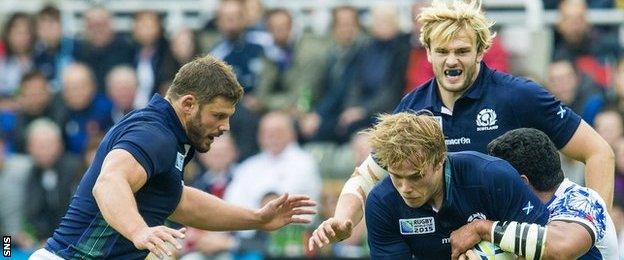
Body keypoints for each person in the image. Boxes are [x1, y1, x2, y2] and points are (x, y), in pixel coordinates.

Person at [309, 0, 614, 249]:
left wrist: (599, 231)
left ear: (481, 51)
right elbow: (365, 176)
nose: (451, 61)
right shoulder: (413, 109)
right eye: (442, 51)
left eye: (462, 51)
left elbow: (599, 152)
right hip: (452, 246)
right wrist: (343, 219)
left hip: (515, 242)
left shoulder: (519, 95)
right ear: (427, 52)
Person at [30, 55, 316, 259]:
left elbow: (180, 201)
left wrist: (256, 219)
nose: (225, 127)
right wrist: (139, 232)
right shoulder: (155, 134)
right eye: (218, 116)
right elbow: (108, 183)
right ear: (188, 104)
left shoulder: (170, 134)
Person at [342, 112, 549, 259]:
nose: (405, 188)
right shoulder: (382, 202)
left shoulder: (492, 177)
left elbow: (547, 246)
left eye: (416, 176)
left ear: (441, 159)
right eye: (397, 176)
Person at [450, 128, 619, 260]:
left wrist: (482, 228)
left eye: (495, 176)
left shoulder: (582, 200)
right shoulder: (512, 213)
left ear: (521, 182)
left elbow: (561, 248)